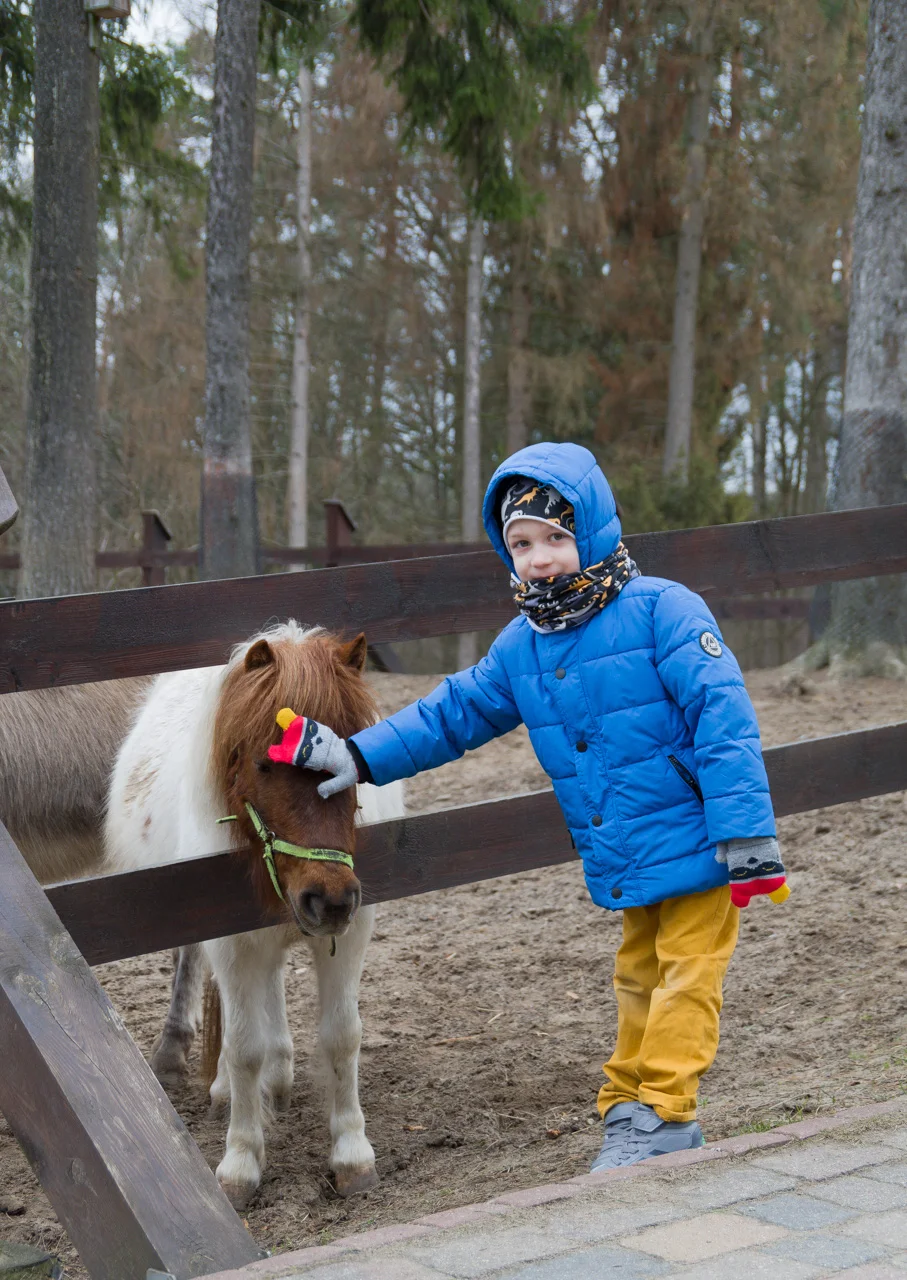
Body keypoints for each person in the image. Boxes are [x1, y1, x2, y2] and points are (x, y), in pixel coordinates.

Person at [269, 442, 787, 1169]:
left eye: (555, 538)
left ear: (594, 531)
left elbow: (723, 722)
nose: (539, 558)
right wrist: (355, 756)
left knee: (686, 976)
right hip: (626, 847)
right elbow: (452, 714)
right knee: (639, 973)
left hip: (699, 837)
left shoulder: (665, 612)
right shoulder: (525, 644)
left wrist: (745, 836)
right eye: (521, 543)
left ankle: (664, 1114)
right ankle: (627, 1105)